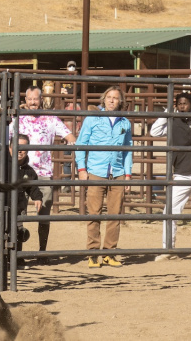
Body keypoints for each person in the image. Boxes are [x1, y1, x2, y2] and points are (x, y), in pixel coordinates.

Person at [9, 86, 76, 264]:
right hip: (21, 172)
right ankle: (18, 254)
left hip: (44, 172)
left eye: (35, 99)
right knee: (18, 211)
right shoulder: (18, 119)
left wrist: (70, 142)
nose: (32, 102)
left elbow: (70, 136)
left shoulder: (51, 119)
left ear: (41, 99)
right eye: (29, 99)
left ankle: (42, 252)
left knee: (43, 212)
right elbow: (6, 141)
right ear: (25, 99)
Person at [75, 86, 133, 268]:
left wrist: (128, 173)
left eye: (115, 98)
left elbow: (128, 150)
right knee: (94, 213)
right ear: (104, 99)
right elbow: (81, 143)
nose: (111, 100)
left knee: (115, 215)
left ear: (120, 101)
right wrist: (82, 168)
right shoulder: (92, 119)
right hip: (95, 171)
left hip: (117, 173)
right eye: (109, 97)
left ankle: (109, 252)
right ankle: (93, 253)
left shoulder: (125, 123)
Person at [149, 92, 191, 261]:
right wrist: (168, 111)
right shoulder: (172, 120)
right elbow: (154, 131)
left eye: (185, 103)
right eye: (179, 104)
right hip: (180, 173)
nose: (182, 106)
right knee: (170, 212)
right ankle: (167, 249)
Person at [0, 134, 43, 270]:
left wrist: (37, 197)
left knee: (16, 233)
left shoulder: (28, 170)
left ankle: (14, 259)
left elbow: (32, 186)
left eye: (23, 147)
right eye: (17, 146)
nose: (20, 150)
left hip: (16, 208)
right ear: (10, 148)